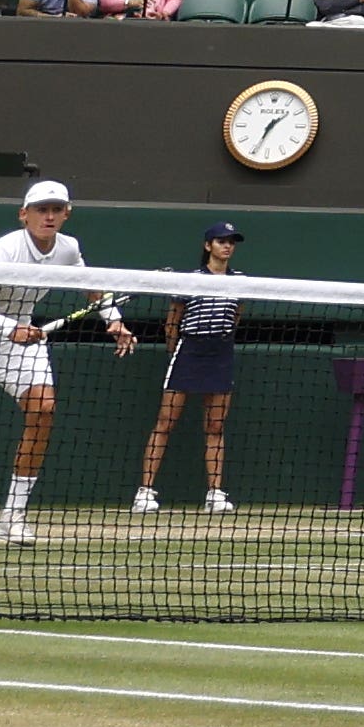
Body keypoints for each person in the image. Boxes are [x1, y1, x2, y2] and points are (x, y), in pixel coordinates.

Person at [0, 176, 131, 543]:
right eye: (41, 210)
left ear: (67, 214)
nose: (49, 216)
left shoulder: (68, 249)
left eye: (56, 210)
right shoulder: (4, 252)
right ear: (24, 215)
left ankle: (11, 516)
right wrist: (7, 327)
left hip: (18, 344)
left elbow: (91, 286)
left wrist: (114, 322)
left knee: (44, 409)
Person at [129, 220, 251, 514]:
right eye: (221, 241)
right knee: (165, 422)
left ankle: (215, 494)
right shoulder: (191, 279)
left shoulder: (241, 281)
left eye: (231, 242)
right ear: (208, 246)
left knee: (215, 426)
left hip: (220, 353)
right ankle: (144, 493)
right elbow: (173, 320)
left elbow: (236, 316)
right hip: (189, 351)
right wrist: (177, 350)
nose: (227, 246)